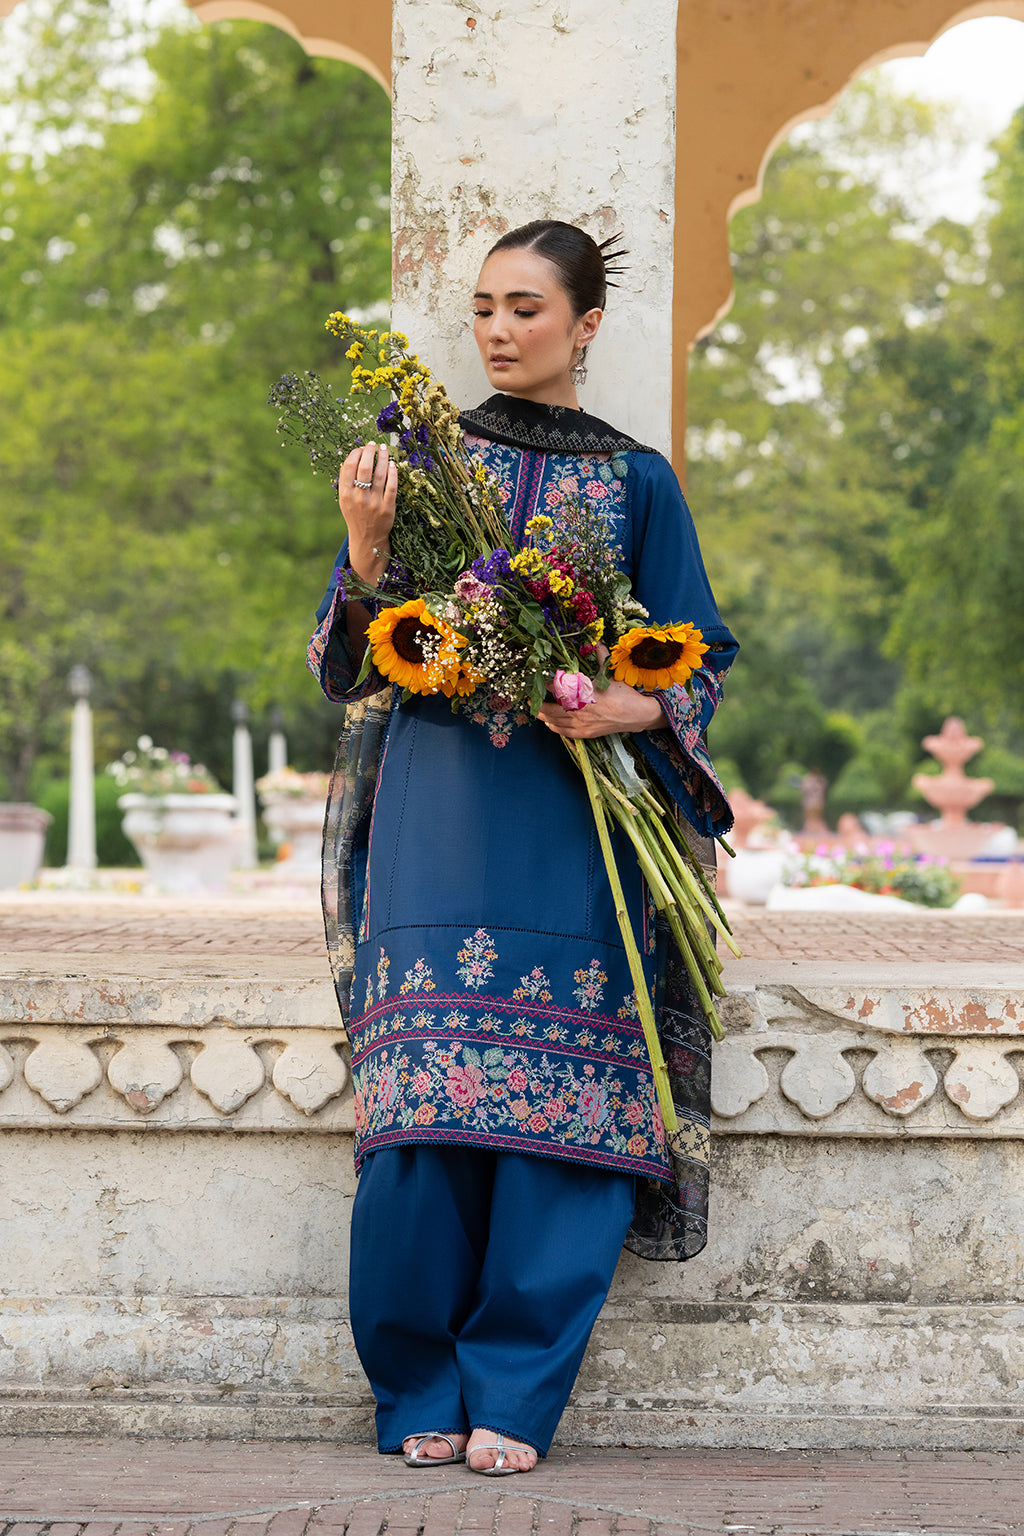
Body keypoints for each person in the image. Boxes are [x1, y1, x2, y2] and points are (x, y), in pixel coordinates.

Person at [307, 220, 738, 1475]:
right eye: (485, 307)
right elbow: (342, 666)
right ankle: (414, 1388)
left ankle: (514, 1394)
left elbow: (696, 649)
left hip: (580, 826)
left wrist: (631, 704)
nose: (498, 329)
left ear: (585, 326)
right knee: (424, 1112)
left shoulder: (637, 480)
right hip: (436, 817)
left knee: (569, 1123)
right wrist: (367, 550)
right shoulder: (413, 462)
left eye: (527, 309)